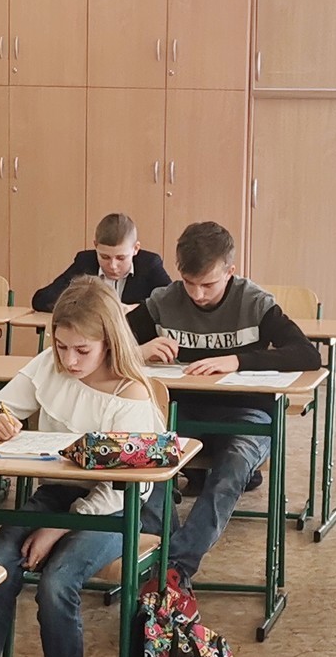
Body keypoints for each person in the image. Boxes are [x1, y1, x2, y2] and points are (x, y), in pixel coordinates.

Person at [0, 282, 167, 657]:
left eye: (82, 350)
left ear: (109, 343)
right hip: (57, 491)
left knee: (58, 582)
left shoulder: (131, 395)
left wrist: (54, 530)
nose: (69, 361)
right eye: (61, 347)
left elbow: (128, 487)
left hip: (117, 506)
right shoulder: (49, 366)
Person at [125, 222, 321, 587]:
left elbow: (307, 354)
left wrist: (238, 360)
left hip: (247, 415)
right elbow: (107, 341)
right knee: (147, 457)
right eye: (189, 282)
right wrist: (139, 350)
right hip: (181, 414)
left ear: (230, 271)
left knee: (230, 471)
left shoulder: (254, 302)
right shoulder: (164, 300)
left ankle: (173, 568)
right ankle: (164, 563)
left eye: (208, 284)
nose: (197, 294)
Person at [30, 211, 171, 312]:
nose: (113, 266)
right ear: (95, 246)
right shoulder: (85, 262)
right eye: (104, 257)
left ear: (135, 249)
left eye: (121, 258)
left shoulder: (149, 264)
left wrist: (134, 308)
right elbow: (42, 300)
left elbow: (172, 302)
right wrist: (88, 307)